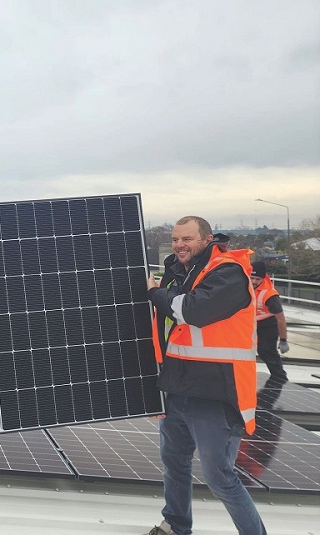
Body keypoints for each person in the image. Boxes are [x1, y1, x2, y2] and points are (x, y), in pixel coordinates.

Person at [144, 216, 266, 535]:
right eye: (175, 240)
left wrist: (155, 293)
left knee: (219, 477)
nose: (180, 245)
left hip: (216, 393)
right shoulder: (177, 275)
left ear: (207, 239)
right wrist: (156, 388)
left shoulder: (228, 272)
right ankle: (176, 524)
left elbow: (194, 311)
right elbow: (162, 332)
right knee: (175, 464)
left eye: (187, 239)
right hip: (178, 388)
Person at [250, 261, 289, 381]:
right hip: (251, 324)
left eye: (258, 279)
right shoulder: (244, 285)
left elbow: (281, 319)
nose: (254, 281)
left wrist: (283, 340)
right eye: (252, 278)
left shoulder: (270, 295)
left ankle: (280, 377)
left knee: (266, 350)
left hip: (268, 325)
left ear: (263, 278)